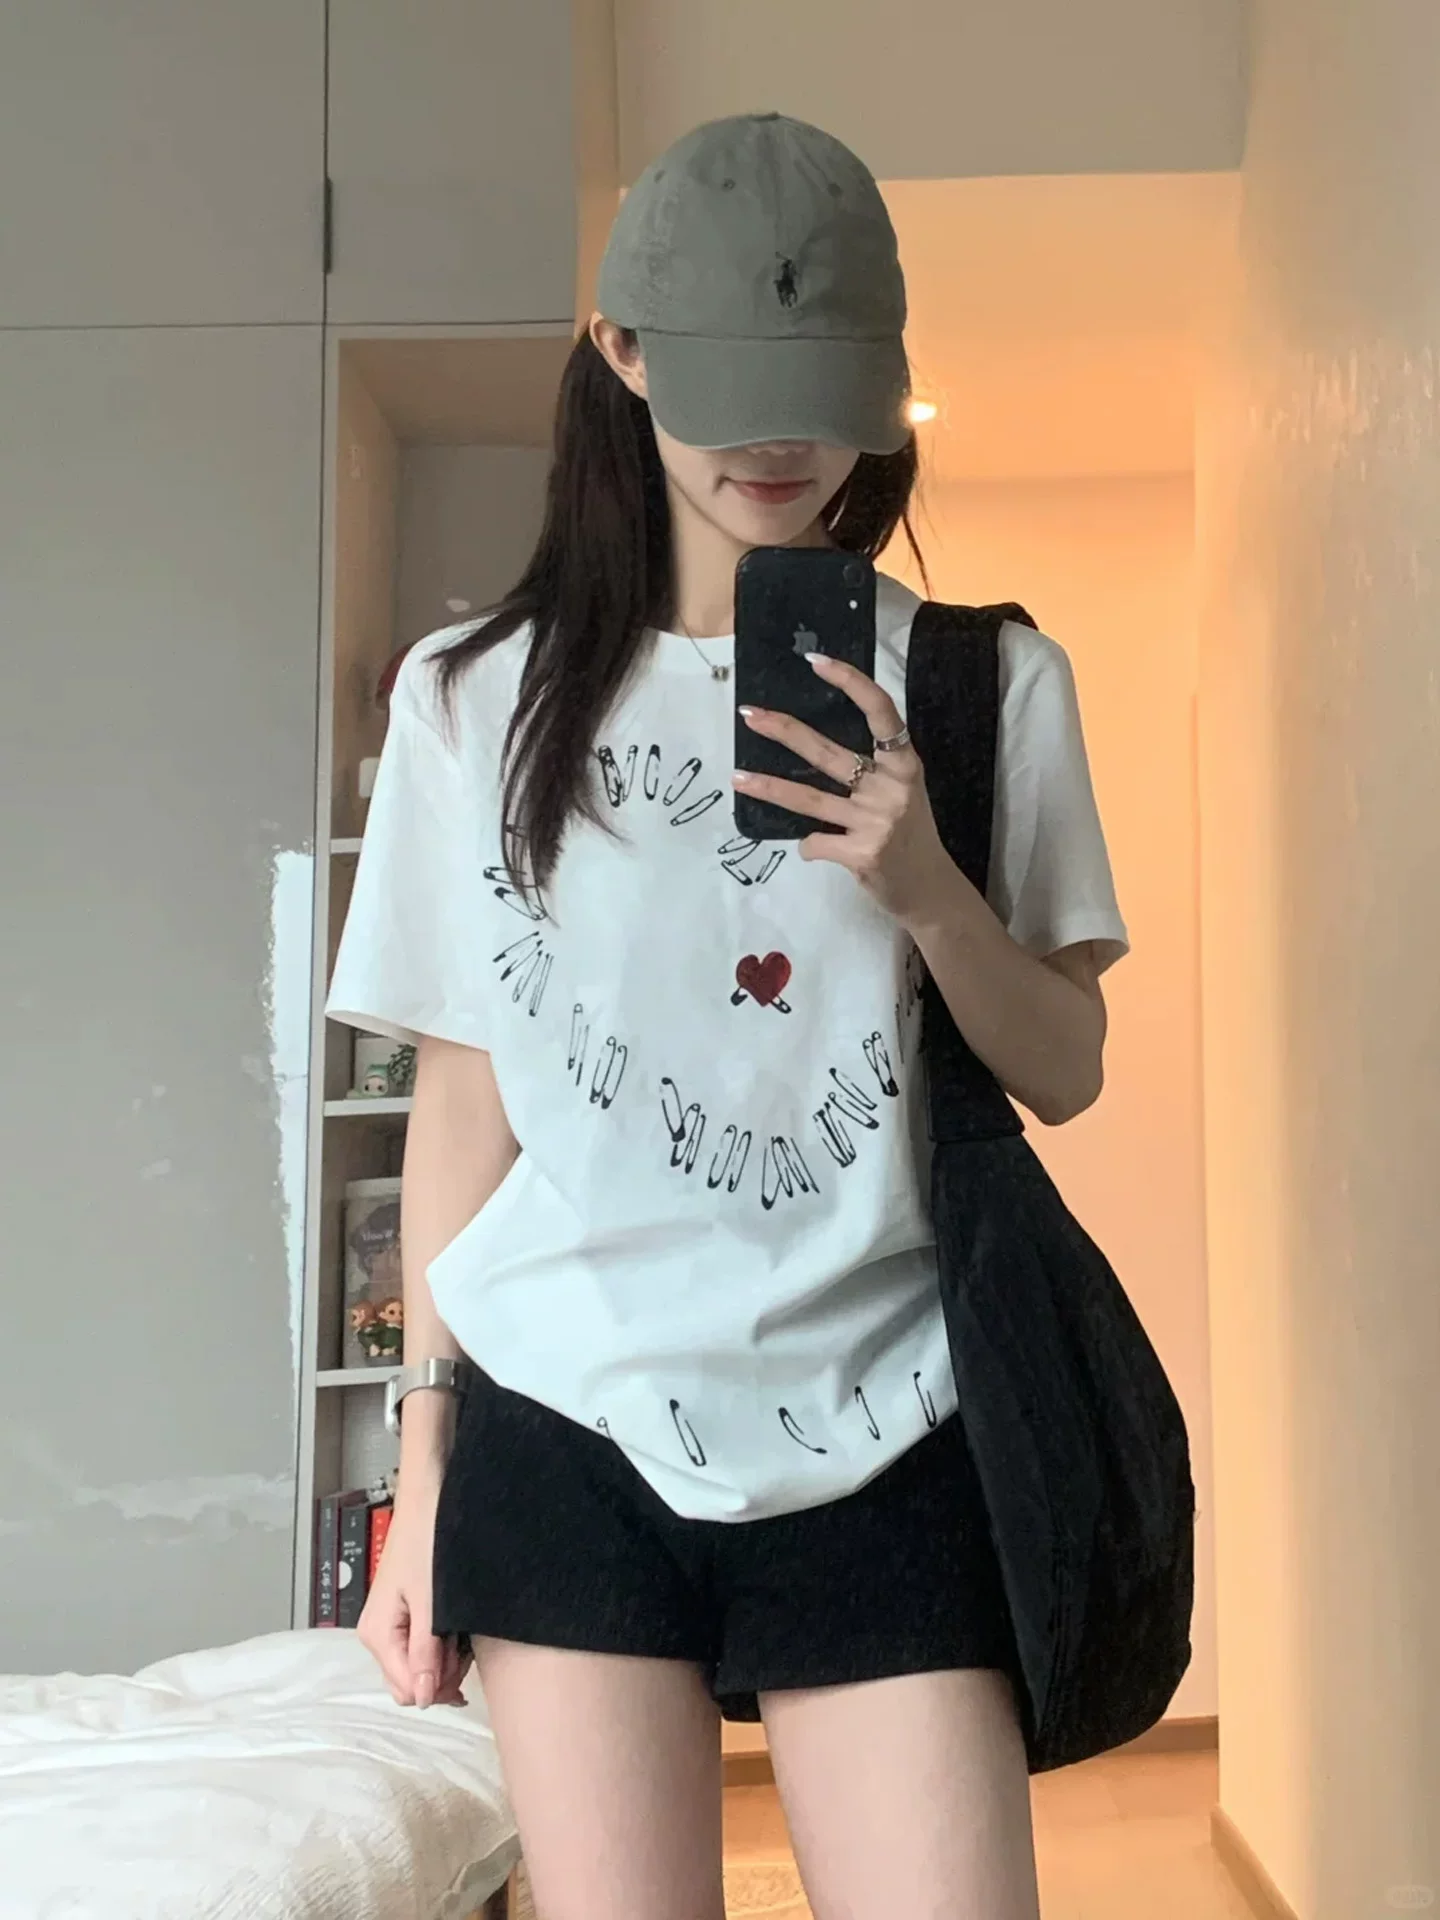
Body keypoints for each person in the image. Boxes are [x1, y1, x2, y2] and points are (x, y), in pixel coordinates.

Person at [327, 111, 1129, 1920]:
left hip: (891, 1423)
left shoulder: (990, 684)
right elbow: (467, 1098)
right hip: (566, 1428)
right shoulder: (472, 702)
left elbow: (1068, 1067)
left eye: (822, 392)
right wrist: (420, 1471)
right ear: (621, 354)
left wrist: (926, 887)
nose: (782, 443)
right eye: (732, 389)